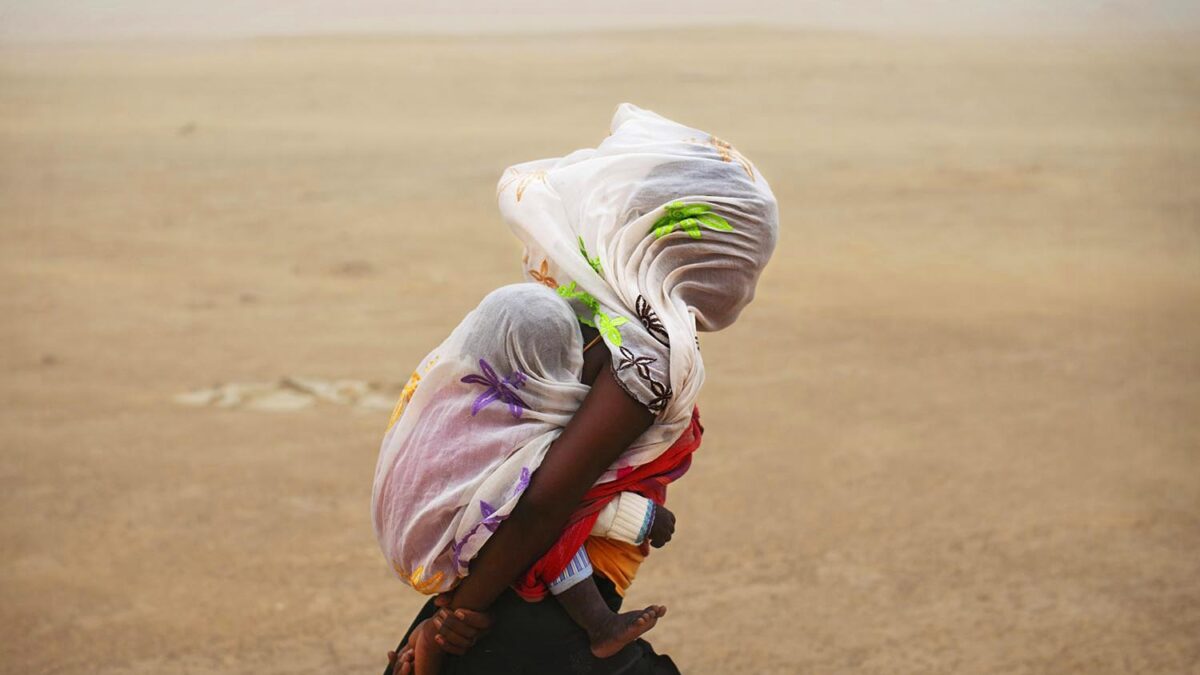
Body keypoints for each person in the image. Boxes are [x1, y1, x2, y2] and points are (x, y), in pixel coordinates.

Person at [372, 103, 779, 674]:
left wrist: (439, 621)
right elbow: (543, 502)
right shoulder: (645, 351)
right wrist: (449, 626)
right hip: (526, 622)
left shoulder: (585, 305)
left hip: (486, 590)